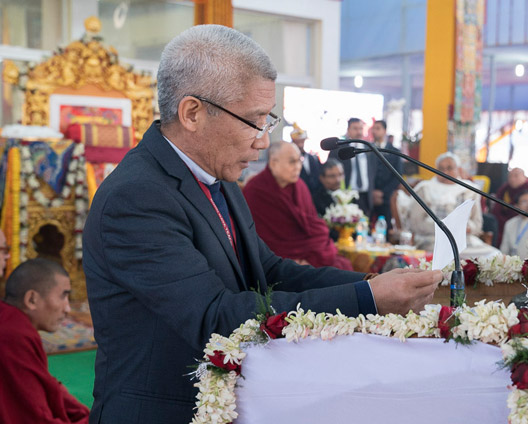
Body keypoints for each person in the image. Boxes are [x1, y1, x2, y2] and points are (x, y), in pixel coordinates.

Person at [82, 25, 442, 424]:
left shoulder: (219, 177)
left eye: (268, 120)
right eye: (254, 121)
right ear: (192, 113)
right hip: (160, 410)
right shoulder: (136, 197)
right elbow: (213, 317)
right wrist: (368, 301)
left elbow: (268, 272)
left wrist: (369, 286)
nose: (262, 141)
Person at [0, 258, 89, 424]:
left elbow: (46, 385)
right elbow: (31, 417)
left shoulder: (11, 321)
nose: (68, 309)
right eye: (63, 297)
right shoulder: (13, 335)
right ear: (32, 299)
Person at [243, 142, 352, 269]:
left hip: (306, 251)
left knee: (345, 266)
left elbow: (312, 224)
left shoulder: (300, 186)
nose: (298, 167)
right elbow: (257, 238)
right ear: (273, 163)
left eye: (299, 160)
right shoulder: (255, 191)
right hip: (277, 257)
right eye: (292, 162)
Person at [403, 152, 499, 258]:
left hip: (465, 242)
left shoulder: (470, 190)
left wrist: (467, 228)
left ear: (458, 169)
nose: (445, 172)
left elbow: (477, 224)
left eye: (449, 168)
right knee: (443, 255)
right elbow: (415, 223)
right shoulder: (424, 189)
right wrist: (445, 228)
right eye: (441, 168)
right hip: (432, 240)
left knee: (494, 256)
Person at [492, 167, 528, 246]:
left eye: (516, 176)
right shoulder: (505, 189)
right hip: (507, 225)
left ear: (524, 177)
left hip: (526, 225)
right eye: (510, 176)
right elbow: (497, 210)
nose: (512, 179)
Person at [370, 120, 402, 229]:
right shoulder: (367, 150)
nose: (374, 131)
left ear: (384, 131)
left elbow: (398, 175)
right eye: (373, 128)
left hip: (386, 197)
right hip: (369, 196)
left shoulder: (394, 151)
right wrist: (372, 192)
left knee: (385, 228)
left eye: (378, 128)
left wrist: (383, 193)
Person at [341, 117, 375, 215]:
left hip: (365, 197)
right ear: (348, 130)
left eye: (360, 128)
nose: (359, 132)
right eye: (355, 128)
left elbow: (373, 171)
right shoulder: (341, 149)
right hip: (347, 195)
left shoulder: (370, 149)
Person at [290, 123, 321, 194]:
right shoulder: (290, 160)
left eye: (302, 141)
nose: (300, 144)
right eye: (297, 142)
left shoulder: (312, 158)